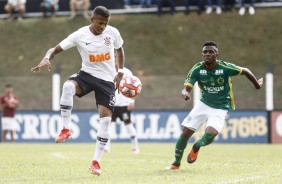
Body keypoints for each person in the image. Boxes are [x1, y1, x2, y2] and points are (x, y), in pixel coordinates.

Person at [31, 6, 125, 176]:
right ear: (92, 20)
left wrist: (120, 71)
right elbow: (55, 49)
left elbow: (119, 49)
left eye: (105, 23)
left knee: (105, 121)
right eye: (100, 23)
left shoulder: (113, 33)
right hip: (87, 74)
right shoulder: (80, 35)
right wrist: (46, 58)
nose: (103, 26)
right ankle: (66, 129)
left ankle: (96, 161)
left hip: (107, 81)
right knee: (67, 86)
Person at [165, 41, 263, 170]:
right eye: (205, 52)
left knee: (210, 134)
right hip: (203, 104)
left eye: (211, 52)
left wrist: (257, 85)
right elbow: (186, 87)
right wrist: (185, 93)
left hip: (221, 107)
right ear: (202, 54)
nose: (207, 54)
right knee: (185, 133)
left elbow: (245, 71)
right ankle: (176, 163)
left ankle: (197, 146)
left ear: (217, 54)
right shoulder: (197, 69)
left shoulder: (225, 68)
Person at [104, 67, 139, 154]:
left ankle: (135, 147)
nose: (115, 60)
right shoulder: (109, 70)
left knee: (128, 125)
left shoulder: (127, 72)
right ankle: (106, 147)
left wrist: (132, 101)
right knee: (109, 126)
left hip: (124, 104)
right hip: (112, 104)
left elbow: (134, 87)